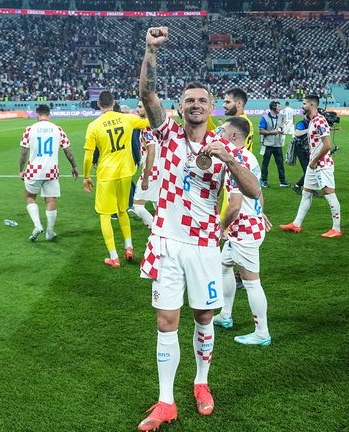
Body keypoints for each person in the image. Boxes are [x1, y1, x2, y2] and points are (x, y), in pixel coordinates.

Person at [137, 26, 261, 432]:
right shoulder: (168, 132)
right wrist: (151, 51)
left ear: (212, 108)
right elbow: (146, 95)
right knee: (165, 321)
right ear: (181, 105)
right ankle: (166, 401)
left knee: (204, 317)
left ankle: (201, 383)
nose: (194, 105)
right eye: (189, 100)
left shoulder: (227, 147)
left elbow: (253, 191)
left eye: (202, 101)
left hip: (206, 243)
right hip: (168, 242)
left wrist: (227, 158)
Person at [213, 117, 271, 346]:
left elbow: (235, 205)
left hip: (244, 230)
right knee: (223, 264)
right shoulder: (248, 156)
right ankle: (225, 314)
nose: (219, 132)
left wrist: (221, 227)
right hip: (249, 224)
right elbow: (258, 192)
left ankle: (262, 332)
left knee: (251, 282)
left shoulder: (236, 159)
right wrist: (260, 211)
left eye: (223, 130)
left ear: (234, 136)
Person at [83, 91, 148, 267]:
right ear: (113, 102)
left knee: (105, 215)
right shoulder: (127, 118)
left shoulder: (94, 126)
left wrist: (87, 176)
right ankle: (129, 248)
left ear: (99, 105)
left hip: (106, 174)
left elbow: (88, 157)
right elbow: (148, 122)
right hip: (126, 172)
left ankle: (114, 257)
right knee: (122, 211)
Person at [279, 94, 342, 238]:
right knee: (306, 193)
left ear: (312, 105)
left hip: (322, 165)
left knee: (329, 194)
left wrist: (314, 161)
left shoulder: (320, 121)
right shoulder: (313, 121)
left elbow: (327, 145)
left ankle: (336, 228)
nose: (302, 106)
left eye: (304, 103)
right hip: (313, 165)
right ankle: (296, 224)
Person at [18, 104, 78, 241]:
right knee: (50, 199)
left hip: (34, 170)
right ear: (49, 114)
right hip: (52, 171)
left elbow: (23, 152)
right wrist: (74, 166)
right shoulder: (57, 129)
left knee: (30, 196)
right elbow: (67, 150)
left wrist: (21, 169)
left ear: (37, 114)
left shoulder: (30, 129)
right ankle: (50, 232)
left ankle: (37, 225)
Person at [132, 100, 160, 228]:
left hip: (153, 170)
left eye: (140, 107)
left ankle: (156, 229)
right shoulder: (157, 125)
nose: (137, 109)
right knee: (159, 203)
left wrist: (146, 177)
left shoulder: (147, 128)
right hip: (164, 169)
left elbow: (151, 150)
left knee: (138, 205)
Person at [259, 100, 288, 188]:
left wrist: (281, 131)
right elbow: (261, 131)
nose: (280, 108)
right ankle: (264, 181)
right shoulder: (265, 117)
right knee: (265, 164)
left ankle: (282, 181)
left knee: (280, 164)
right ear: (274, 107)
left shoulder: (280, 117)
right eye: (279, 107)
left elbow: (280, 127)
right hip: (268, 144)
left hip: (278, 144)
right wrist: (272, 132)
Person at [222, 87, 255, 152]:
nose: (224, 105)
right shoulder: (245, 121)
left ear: (239, 103)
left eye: (227, 102)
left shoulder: (237, 124)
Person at [291, 113, 311, 196]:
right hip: (301, 149)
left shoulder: (310, 123)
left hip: (308, 149)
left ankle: (310, 189)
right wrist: (309, 129)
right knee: (308, 171)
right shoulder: (301, 123)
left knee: (311, 170)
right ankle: (297, 185)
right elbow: (297, 133)